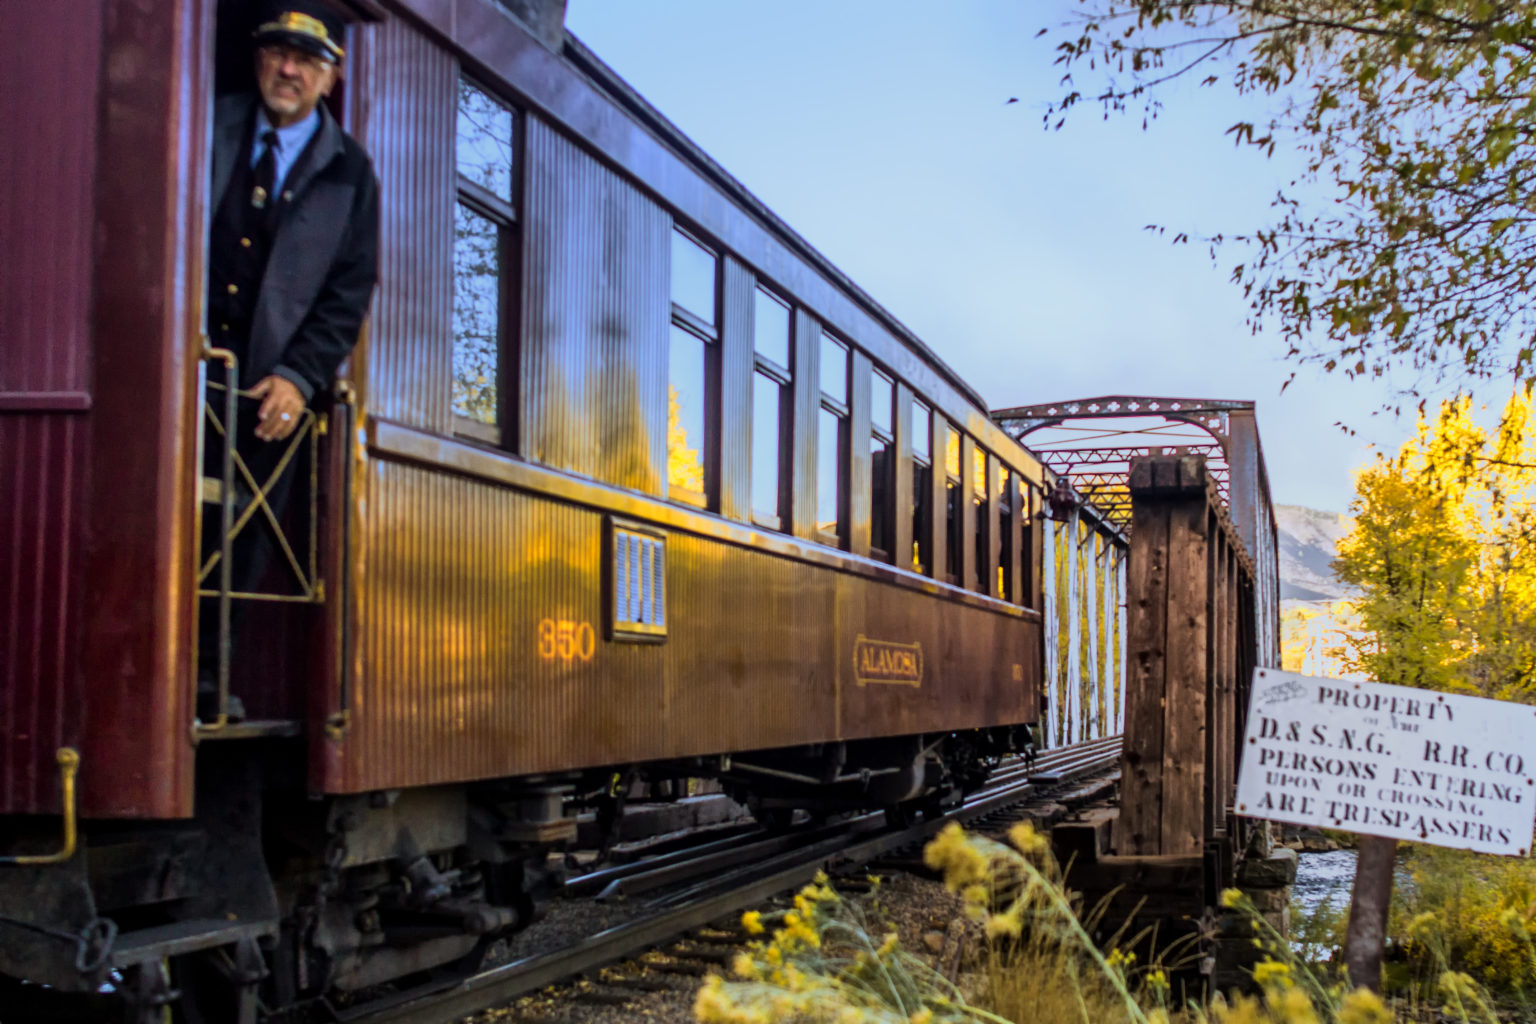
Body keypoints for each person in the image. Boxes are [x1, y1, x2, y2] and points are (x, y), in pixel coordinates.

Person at [199, 1, 380, 720]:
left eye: (306, 60)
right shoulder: (207, 126)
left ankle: (210, 678)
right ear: (258, 59)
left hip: (269, 385)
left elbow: (348, 291)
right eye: (277, 52)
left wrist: (301, 377)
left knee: (241, 529)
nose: (288, 69)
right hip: (190, 368)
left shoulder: (350, 172)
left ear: (330, 77)